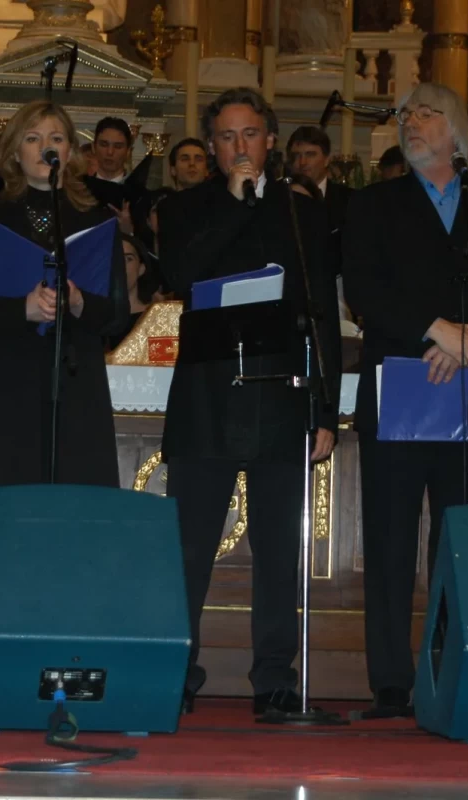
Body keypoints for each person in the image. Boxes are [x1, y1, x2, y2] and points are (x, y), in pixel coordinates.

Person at [341, 82, 468, 718]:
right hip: (399, 383)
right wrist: (437, 331)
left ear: (457, 132)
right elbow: (364, 290)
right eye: (406, 115)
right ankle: (390, 681)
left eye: (427, 113)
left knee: (461, 538)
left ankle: (452, 670)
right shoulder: (373, 205)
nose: (412, 122)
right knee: (390, 538)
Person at [158, 87, 341, 715]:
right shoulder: (184, 208)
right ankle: (177, 669)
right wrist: (237, 206)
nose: (240, 146)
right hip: (207, 397)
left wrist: (325, 408)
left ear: (271, 140)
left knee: (278, 550)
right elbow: (182, 276)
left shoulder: (302, 212)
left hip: (281, 397)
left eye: (251, 134)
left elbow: (322, 313)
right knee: (190, 548)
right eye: (227, 136)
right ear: (212, 147)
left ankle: (274, 678)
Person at [0, 100, 128, 532]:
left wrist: (78, 302)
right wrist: (21, 307)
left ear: (71, 151)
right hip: (3, 380)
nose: (46, 147)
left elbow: (115, 314)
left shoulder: (97, 219)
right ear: (14, 151)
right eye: (33, 138)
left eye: (56, 138)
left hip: (73, 382)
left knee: (70, 518)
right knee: (1, 512)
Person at [105, 232, 155, 350]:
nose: (120, 265)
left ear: (141, 269)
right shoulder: (93, 320)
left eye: (128, 259)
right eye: (114, 258)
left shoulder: (157, 317)